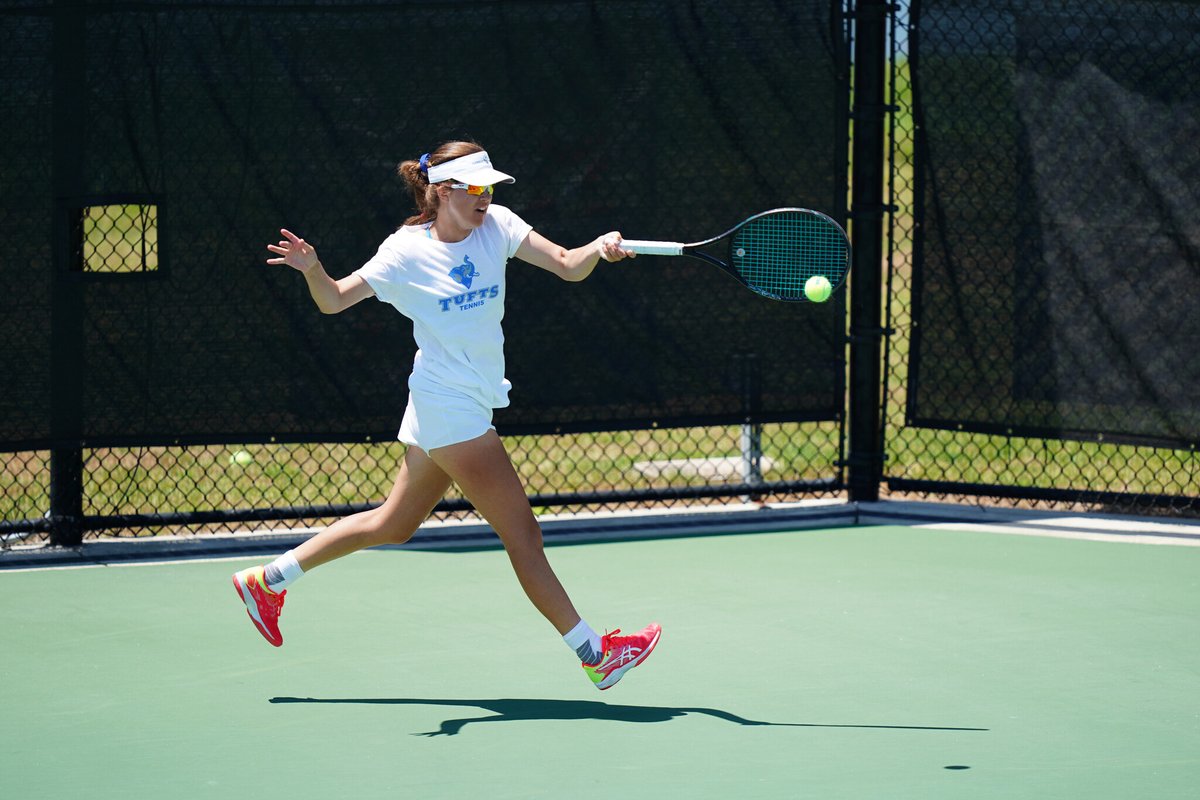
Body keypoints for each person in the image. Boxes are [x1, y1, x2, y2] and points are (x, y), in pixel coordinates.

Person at [232, 141, 660, 691]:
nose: (485, 197)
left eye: (489, 187)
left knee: (394, 524)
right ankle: (594, 653)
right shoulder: (405, 252)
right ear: (441, 191)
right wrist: (313, 268)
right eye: (473, 188)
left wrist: (599, 248)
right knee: (523, 535)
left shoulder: (498, 226)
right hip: (448, 408)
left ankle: (268, 580)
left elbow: (565, 265)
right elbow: (334, 300)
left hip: (462, 400)